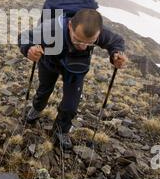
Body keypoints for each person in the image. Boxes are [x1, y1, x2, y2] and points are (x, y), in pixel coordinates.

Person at [18, 9, 128, 150]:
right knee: (44, 89)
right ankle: (37, 108)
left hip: (76, 68)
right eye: (77, 39)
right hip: (49, 63)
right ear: (70, 25)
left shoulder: (97, 31)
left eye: (89, 43)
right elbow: (25, 36)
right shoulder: (51, 28)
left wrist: (116, 54)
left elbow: (116, 41)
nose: (82, 46)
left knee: (72, 103)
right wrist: (29, 49)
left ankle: (61, 130)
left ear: (99, 33)